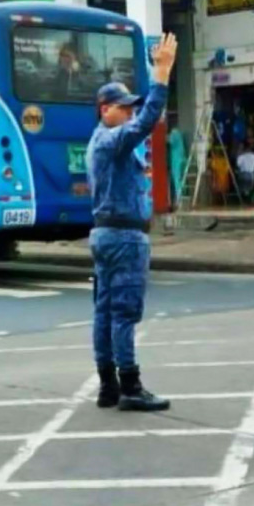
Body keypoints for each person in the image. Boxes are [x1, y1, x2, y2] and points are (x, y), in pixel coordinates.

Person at [86, 32, 178, 412]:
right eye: (123, 107)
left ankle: (108, 386)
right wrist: (162, 73)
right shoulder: (111, 140)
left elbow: (140, 121)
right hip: (123, 237)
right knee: (123, 313)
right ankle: (130, 386)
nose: (129, 113)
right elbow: (146, 123)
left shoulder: (101, 142)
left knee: (106, 311)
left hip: (108, 234)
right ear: (105, 109)